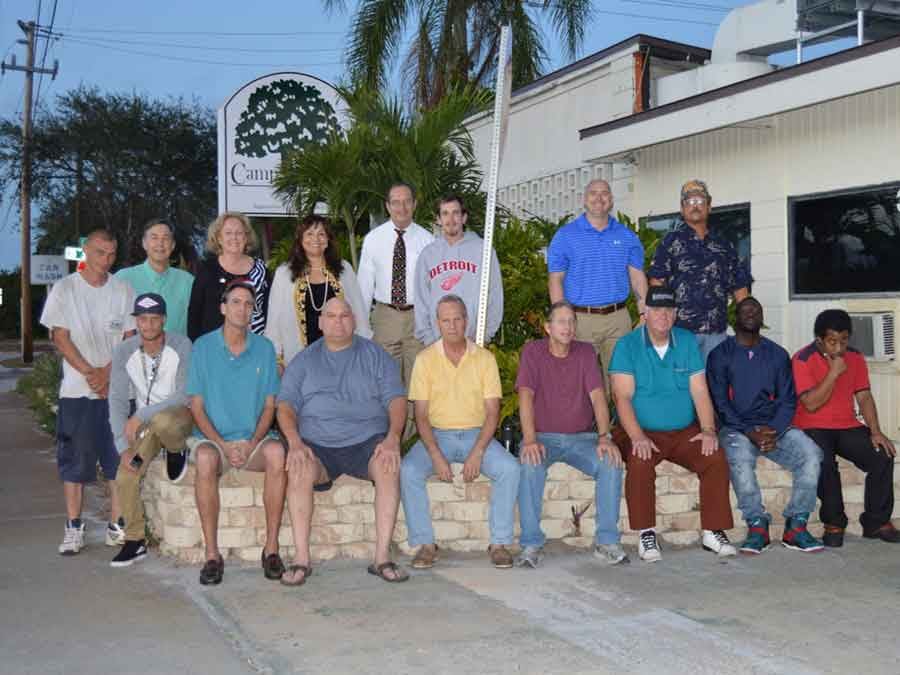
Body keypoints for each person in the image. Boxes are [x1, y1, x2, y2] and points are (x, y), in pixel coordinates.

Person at [276, 298, 409, 586]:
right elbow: (285, 406)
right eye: (331, 316)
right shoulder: (304, 360)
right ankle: (301, 559)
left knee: (388, 466)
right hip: (318, 445)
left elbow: (396, 400)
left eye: (344, 315)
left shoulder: (375, 355)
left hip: (367, 442)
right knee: (298, 469)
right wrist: (295, 442)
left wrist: (392, 438)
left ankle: (382, 558)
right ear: (320, 322)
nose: (338, 322)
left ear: (354, 320)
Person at [609, 286, 736, 562]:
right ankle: (646, 533)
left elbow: (700, 391)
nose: (663, 316)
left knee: (714, 455)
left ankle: (713, 532)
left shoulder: (687, 341)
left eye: (669, 310)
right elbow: (622, 397)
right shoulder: (627, 345)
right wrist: (637, 436)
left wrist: (707, 430)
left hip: (682, 431)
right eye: (657, 310)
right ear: (645, 313)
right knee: (639, 460)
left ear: (676, 314)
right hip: (640, 430)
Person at [401, 295, 520, 569]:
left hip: (477, 434)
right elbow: (420, 416)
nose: (452, 325)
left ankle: (499, 543)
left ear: (466, 321)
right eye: (446, 320)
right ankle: (426, 544)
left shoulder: (484, 359)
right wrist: (435, 454)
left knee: (510, 468)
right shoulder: (425, 359)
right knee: (408, 471)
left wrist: (478, 451)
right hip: (437, 435)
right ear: (437, 323)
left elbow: (493, 413)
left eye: (457, 319)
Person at [39, 229, 136, 555]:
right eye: (98, 253)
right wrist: (89, 373)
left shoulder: (123, 290)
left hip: (115, 393)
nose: (105, 260)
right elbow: (60, 337)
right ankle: (73, 528)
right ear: (85, 252)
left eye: (111, 254)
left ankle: (116, 526)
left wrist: (107, 373)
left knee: (117, 463)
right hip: (77, 393)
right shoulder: (65, 289)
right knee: (75, 464)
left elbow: (129, 337)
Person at [185, 278, 286, 585]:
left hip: (253, 440)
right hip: (214, 441)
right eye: (236, 302)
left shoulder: (265, 348)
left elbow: (270, 407)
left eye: (248, 304)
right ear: (223, 308)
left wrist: (252, 441)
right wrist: (224, 446)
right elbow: (197, 408)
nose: (242, 309)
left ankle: (271, 549)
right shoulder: (203, 347)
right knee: (203, 460)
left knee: (277, 452)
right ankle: (212, 556)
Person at [706, 298, 824, 554]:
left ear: (762, 317)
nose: (751, 313)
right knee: (739, 459)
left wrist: (775, 429)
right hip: (738, 429)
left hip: (773, 428)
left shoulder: (777, 354)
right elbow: (720, 403)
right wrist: (749, 432)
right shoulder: (720, 355)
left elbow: (787, 399)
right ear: (734, 317)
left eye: (756, 310)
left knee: (811, 454)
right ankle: (757, 525)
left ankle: (796, 525)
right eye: (745, 310)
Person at [516, 301, 627, 568]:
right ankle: (531, 545)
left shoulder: (586, 352)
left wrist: (604, 436)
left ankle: (607, 541)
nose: (568, 327)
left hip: (583, 439)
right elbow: (525, 396)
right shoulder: (533, 352)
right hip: (542, 437)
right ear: (548, 327)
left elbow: (598, 397)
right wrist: (530, 439)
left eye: (572, 322)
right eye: (561, 321)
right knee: (529, 465)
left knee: (610, 462)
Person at [792, 309, 899, 547]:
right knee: (824, 462)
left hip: (847, 425)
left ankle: (876, 522)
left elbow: (864, 397)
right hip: (812, 425)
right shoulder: (801, 359)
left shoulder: (856, 357)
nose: (839, 348)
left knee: (883, 454)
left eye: (844, 340)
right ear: (819, 340)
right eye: (832, 342)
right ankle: (834, 523)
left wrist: (876, 431)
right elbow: (810, 405)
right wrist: (833, 373)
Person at [108, 293, 194, 567]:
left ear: (164, 320)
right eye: (143, 319)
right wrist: (122, 445)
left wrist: (141, 415)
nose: (148, 325)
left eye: (154, 319)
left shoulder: (181, 344)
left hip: (176, 417)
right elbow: (117, 399)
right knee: (125, 474)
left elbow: (184, 394)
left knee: (163, 421)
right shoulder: (124, 350)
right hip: (146, 427)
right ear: (136, 321)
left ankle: (176, 450)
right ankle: (135, 541)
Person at [547, 179, 647, 384]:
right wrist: (561, 318)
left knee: (622, 381)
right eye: (593, 193)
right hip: (580, 320)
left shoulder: (627, 236)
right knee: (581, 382)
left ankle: (615, 417)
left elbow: (637, 277)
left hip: (618, 320)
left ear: (611, 200)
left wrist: (644, 313)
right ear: (584, 199)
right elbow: (555, 279)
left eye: (604, 193)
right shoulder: (565, 236)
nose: (599, 198)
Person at [648, 180, 752, 361]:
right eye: (689, 201)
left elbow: (740, 286)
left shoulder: (723, 245)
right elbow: (657, 282)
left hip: (717, 334)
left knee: (715, 385)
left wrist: (748, 322)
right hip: (680, 332)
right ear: (682, 208)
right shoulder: (670, 242)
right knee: (682, 386)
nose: (695, 206)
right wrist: (660, 322)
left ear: (709, 206)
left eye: (700, 201)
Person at [265, 215, 371, 369]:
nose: (316, 239)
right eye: (309, 234)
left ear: (328, 240)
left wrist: (364, 352)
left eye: (321, 234)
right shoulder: (284, 273)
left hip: (342, 360)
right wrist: (277, 360)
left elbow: (359, 313)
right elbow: (274, 322)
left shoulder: (345, 270)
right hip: (298, 360)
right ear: (300, 240)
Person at [357, 182, 434, 386]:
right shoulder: (373, 239)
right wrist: (361, 328)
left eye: (407, 202)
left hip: (417, 319)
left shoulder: (428, 241)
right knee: (385, 380)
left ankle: (411, 420)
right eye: (396, 203)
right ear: (388, 206)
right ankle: (389, 420)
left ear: (415, 204)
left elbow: (433, 287)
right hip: (385, 317)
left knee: (417, 382)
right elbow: (364, 286)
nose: (402, 208)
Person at [414, 194, 503, 345]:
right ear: (438, 219)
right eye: (445, 214)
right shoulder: (427, 255)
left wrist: (485, 335)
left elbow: (494, 294)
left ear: (464, 217)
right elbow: (421, 299)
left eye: (456, 213)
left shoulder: (483, 250)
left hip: (474, 341)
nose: (451, 219)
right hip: (438, 344)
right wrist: (430, 340)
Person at [187, 212, 269, 341]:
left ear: (246, 237)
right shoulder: (207, 269)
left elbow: (268, 311)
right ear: (219, 238)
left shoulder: (261, 270)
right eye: (228, 233)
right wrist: (197, 349)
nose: (234, 237)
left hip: (253, 346)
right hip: (213, 348)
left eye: (239, 233)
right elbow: (194, 314)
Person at [116, 218, 194, 336]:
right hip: (135, 352)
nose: (160, 243)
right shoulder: (123, 278)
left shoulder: (188, 281)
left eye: (165, 238)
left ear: (173, 245)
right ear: (144, 243)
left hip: (178, 352)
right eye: (154, 237)